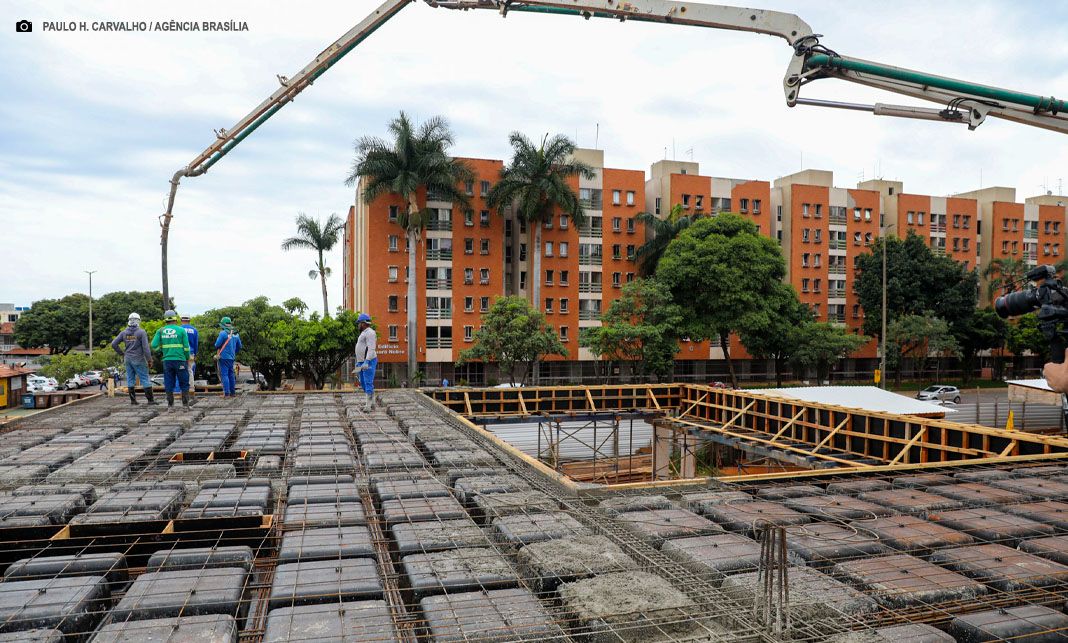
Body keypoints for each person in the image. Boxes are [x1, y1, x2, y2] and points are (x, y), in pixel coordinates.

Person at [110, 312, 157, 405]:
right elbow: (146, 348)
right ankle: (150, 401)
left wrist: (122, 353)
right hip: (139, 358)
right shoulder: (141, 332)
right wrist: (149, 360)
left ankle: (133, 401)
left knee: (130, 379)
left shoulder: (124, 332)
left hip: (127, 359)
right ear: (138, 321)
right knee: (144, 378)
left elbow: (113, 344)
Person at [151, 310, 192, 407]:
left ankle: (170, 406)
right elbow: (186, 348)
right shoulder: (181, 330)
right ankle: (185, 406)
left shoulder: (160, 331)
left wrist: (161, 349)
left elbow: (153, 345)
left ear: (165, 320)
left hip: (167, 361)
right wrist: (187, 358)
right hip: (180, 360)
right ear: (175, 319)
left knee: (169, 382)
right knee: (184, 382)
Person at [353, 312, 377, 411]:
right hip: (361, 362)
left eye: (359, 323)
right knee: (363, 382)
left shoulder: (370, 332)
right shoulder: (364, 333)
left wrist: (367, 361)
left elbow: (371, 348)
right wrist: (358, 363)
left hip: (368, 361)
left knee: (368, 382)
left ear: (363, 323)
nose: (358, 325)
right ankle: (372, 402)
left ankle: (369, 405)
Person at [215, 316, 243, 398]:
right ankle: (233, 393)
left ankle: (226, 394)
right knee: (231, 374)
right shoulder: (236, 334)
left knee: (224, 375)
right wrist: (234, 352)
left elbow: (217, 344)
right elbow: (239, 346)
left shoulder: (223, 333)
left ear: (223, 324)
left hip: (223, 357)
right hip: (232, 357)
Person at [172, 314, 199, 397]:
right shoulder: (194, 330)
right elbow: (196, 344)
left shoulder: (178, 329)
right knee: (190, 371)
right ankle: (191, 389)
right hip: (190, 353)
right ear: (189, 320)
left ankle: (177, 391)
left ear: (181, 320)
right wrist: (195, 353)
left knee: (178, 372)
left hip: (180, 354)